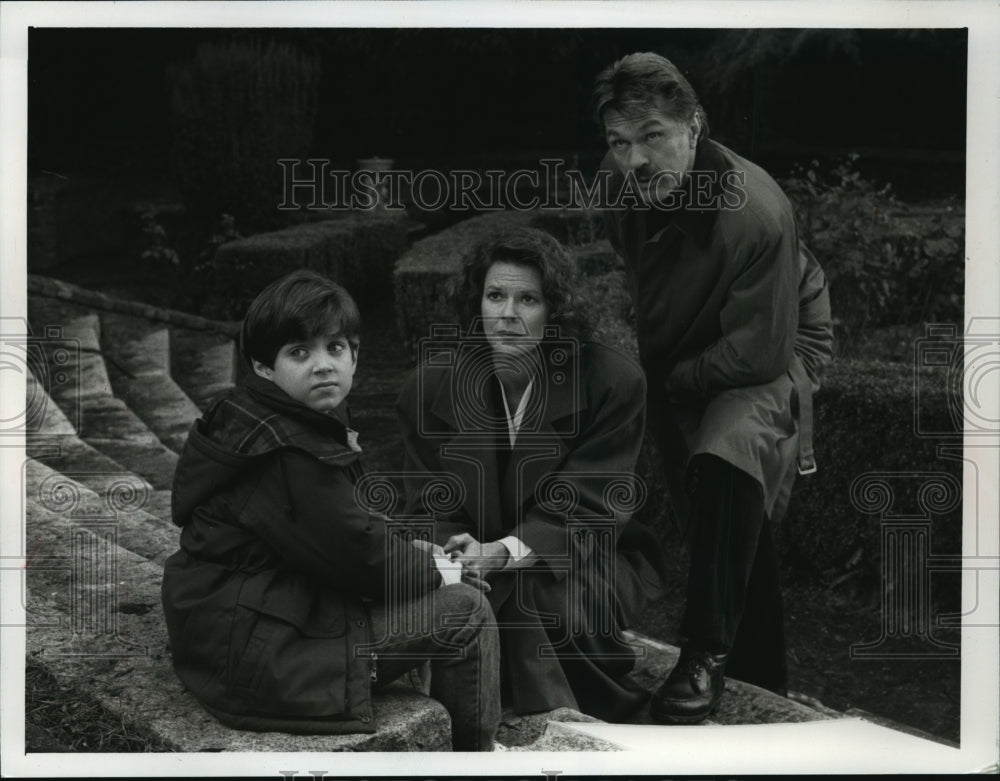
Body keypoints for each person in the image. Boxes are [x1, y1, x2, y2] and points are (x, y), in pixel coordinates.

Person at [161, 269, 501, 751]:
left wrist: (415, 551)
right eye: (299, 352)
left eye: (334, 348)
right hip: (260, 653)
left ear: (355, 355)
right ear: (263, 367)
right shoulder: (286, 453)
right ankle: (475, 759)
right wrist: (441, 568)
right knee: (468, 611)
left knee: (419, 587)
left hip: (235, 625)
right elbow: (360, 557)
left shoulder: (280, 418)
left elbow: (345, 525)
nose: (322, 365)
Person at [592, 52, 834, 724]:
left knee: (727, 458)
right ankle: (764, 686)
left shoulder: (754, 213)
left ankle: (702, 655)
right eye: (619, 142)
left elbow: (759, 352)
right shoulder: (622, 188)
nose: (634, 160)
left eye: (653, 136)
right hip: (700, 340)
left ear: (694, 125)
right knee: (724, 522)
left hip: (775, 343)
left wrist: (668, 376)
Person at [396, 227, 669, 722]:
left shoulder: (611, 381)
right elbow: (427, 504)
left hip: (588, 558)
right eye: (495, 295)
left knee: (522, 594)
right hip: (469, 559)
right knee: (478, 594)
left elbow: (590, 506)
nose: (507, 314)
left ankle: (552, 733)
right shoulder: (428, 386)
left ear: (555, 309)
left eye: (528, 299)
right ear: (475, 303)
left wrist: (501, 554)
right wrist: (453, 555)